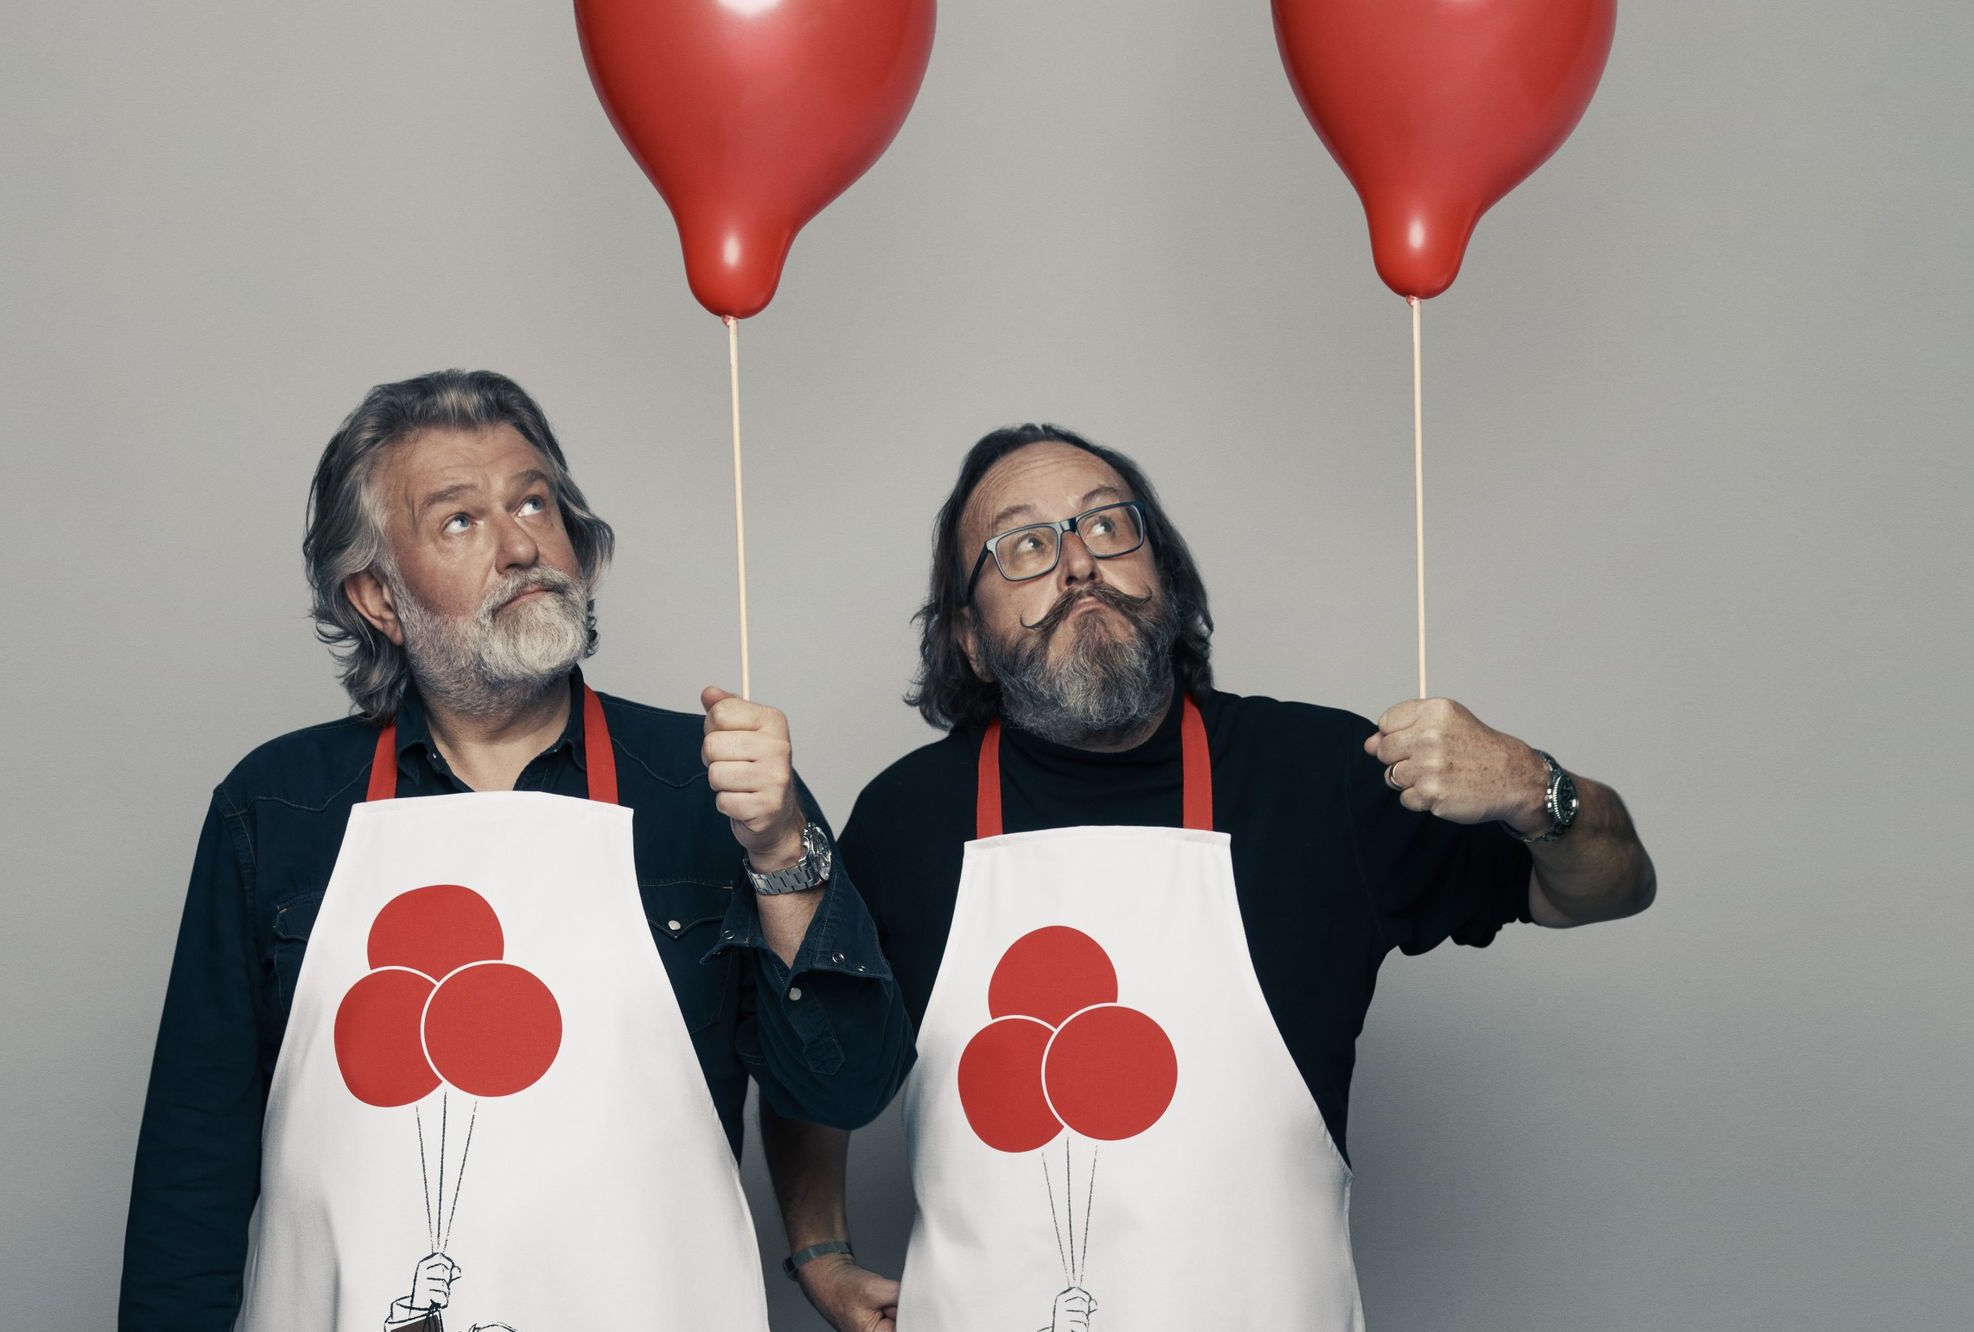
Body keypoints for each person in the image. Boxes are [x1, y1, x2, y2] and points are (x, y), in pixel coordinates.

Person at [763, 424, 1655, 1332]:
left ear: (1167, 579)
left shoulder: (1325, 777)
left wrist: (1534, 788)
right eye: (1025, 546)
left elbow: (1610, 887)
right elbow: (808, 1048)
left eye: (1108, 526)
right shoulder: (905, 819)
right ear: (972, 640)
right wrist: (819, 1252)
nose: (1077, 563)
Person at [121, 370, 909, 1332]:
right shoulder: (276, 807)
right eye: (460, 521)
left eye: (534, 502)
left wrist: (784, 846)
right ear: (376, 594)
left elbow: (849, 1084)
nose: (522, 545)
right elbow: (192, 1173)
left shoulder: (716, 783)